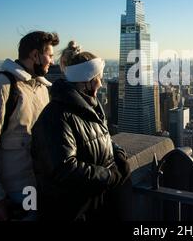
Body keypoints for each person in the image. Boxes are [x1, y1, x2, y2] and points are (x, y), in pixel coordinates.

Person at [31, 41, 131, 221]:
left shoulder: (90, 106)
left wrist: (118, 153)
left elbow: (99, 136)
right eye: (99, 78)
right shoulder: (56, 116)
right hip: (73, 212)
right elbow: (65, 168)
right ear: (87, 82)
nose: (101, 84)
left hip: (95, 207)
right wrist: (109, 175)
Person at [0, 31, 60, 221]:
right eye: (49, 55)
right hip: (12, 191)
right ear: (35, 55)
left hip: (36, 186)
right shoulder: (0, 87)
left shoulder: (41, 88)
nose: (52, 61)